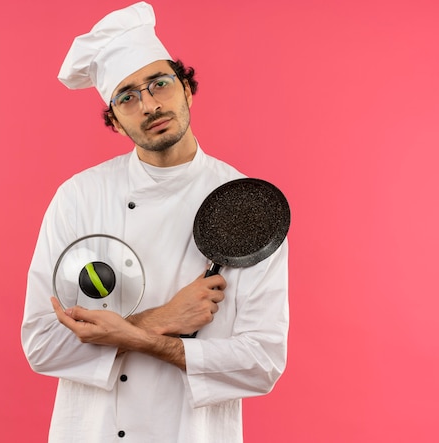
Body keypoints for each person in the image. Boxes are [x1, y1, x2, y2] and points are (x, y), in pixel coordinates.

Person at [21, 2, 289, 442]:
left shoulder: (246, 202)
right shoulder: (80, 197)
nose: (149, 104)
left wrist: (139, 339)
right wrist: (160, 319)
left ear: (186, 88)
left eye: (159, 83)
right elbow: (42, 346)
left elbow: (262, 362)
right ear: (114, 119)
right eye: (127, 96)